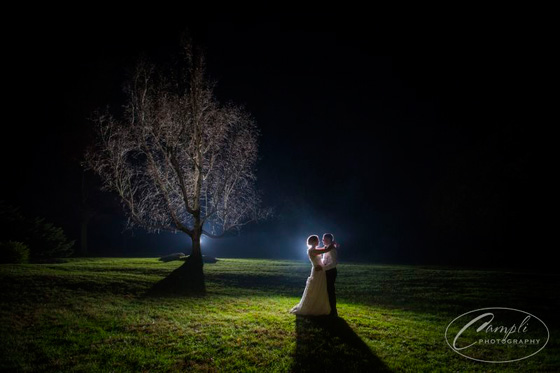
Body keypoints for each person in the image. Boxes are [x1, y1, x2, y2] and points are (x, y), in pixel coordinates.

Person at [289, 235, 336, 316]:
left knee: (320, 288)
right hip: (318, 271)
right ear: (314, 241)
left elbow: (325, 250)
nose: (319, 241)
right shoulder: (312, 250)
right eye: (317, 240)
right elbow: (326, 250)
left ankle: (321, 304)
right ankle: (315, 306)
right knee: (316, 287)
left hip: (320, 270)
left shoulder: (314, 250)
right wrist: (332, 244)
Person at [320, 233, 339, 317]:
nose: (323, 240)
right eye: (323, 239)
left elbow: (333, 263)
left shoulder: (331, 249)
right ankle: (329, 309)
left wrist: (323, 268)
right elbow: (325, 260)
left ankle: (333, 310)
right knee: (327, 291)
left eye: (324, 239)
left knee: (330, 291)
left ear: (329, 239)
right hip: (327, 271)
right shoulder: (327, 248)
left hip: (331, 272)